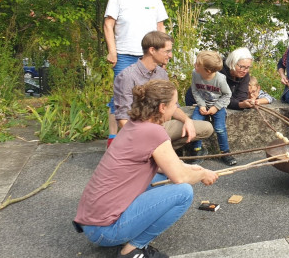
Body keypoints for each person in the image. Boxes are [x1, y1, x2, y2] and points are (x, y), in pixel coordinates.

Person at [74, 79, 219, 258]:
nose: (176, 109)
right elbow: (180, 177)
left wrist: (193, 168)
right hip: (105, 231)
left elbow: (166, 166)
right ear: (162, 107)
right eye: (174, 104)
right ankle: (133, 249)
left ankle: (126, 235)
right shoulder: (154, 132)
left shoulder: (135, 126)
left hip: (90, 223)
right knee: (183, 192)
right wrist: (203, 174)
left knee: (161, 180)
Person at [104, 0, 168, 147]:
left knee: (151, 94)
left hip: (149, 55)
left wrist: (162, 53)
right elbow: (109, 24)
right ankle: (114, 139)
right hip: (124, 54)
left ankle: (149, 136)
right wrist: (112, 51)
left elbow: (160, 27)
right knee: (122, 96)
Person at [114, 31, 213, 151]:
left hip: (161, 127)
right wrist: (141, 137)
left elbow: (173, 106)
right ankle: (152, 154)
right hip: (139, 132)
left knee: (206, 128)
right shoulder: (127, 76)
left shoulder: (161, 73)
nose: (170, 55)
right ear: (152, 50)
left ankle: (160, 152)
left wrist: (187, 120)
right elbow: (123, 119)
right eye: (167, 51)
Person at [189, 50, 236, 166]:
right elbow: (194, 90)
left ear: (208, 71)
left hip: (217, 105)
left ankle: (225, 152)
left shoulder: (220, 79)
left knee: (220, 129)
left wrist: (216, 107)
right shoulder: (195, 73)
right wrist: (201, 105)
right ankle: (197, 150)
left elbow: (227, 95)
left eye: (197, 64)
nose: (195, 66)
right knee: (195, 125)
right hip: (202, 105)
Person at [185, 47, 254, 110]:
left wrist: (243, 103)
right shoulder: (217, 70)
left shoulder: (244, 75)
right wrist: (239, 104)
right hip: (198, 99)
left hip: (215, 104)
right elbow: (218, 97)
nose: (245, 70)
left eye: (248, 67)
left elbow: (240, 97)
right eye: (242, 66)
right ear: (232, 62)